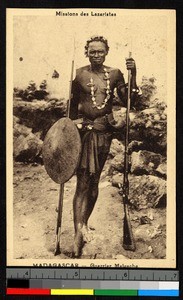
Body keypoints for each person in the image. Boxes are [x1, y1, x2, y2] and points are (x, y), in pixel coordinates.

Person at [69, 35, 139, 257]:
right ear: (86, 52)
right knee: (82, 182)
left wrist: (133, 74)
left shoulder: (116, 74)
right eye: (92, 51)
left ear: (106, 52)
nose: (96, 55)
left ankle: (84, 222)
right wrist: (70, 125)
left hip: (103, 132)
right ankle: (77, 233)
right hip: (84, 132)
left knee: (94, 181)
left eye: (100, 51)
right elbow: (71, 107)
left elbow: (130, 99)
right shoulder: (79, 73)